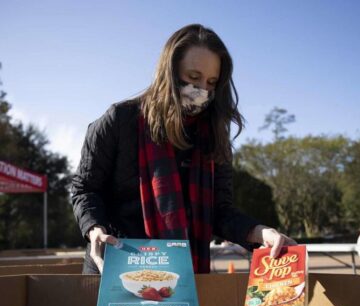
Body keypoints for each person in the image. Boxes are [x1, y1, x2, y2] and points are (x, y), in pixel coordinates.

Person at [71, 24, 296, 275]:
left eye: (212, 82)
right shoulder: (119, 121)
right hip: (113, 265)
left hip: (180, 276)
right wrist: (94, 228)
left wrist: (259, 231)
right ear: (170, 71)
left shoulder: (213, 138)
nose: (202, 91)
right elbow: (85, 188)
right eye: (193, 77)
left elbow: (220, 211)